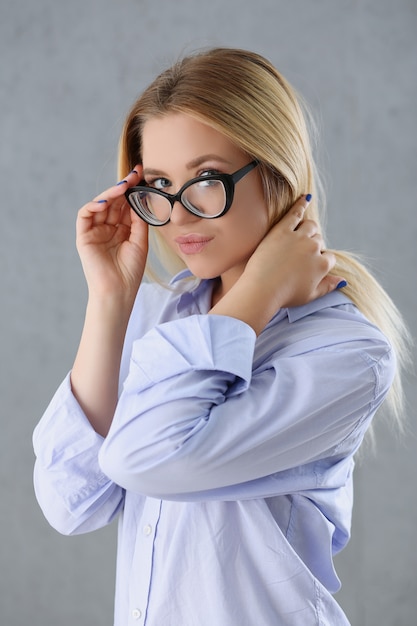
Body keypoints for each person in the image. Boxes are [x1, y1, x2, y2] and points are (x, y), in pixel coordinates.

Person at [33, 47, 409, 625]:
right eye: (158, 183)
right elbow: (70, 502)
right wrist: (111, 299)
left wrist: (259, 291)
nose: (178, 214)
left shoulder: (345, 354)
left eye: (206, 179)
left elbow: (147, 459)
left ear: (276, 171)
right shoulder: (159, 318)